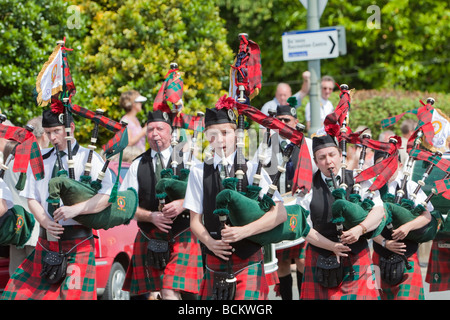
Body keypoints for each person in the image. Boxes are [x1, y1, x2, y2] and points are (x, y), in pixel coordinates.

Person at [1, 106, 113, 300]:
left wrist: (74, 210)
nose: (52, 138)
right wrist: (45, 222)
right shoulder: (40, 160)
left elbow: (107, 196)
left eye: (57, 132)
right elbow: (31, 197)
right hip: (46, 242)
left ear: (71, 128)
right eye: (48, 133)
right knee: (18, 295)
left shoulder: (89, 159)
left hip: (79, 242)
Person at [183, 104, 288, 300]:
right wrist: (210, 243)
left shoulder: (252, 168)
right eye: (213, 134)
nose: (220, 140)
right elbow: (195, 222)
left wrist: (244, 231)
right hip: (216, 258)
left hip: (249, 258)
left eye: (225, 132)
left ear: (237, 135)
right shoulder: (198, 172)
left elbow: (280, 213)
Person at [120, 110, 203, 300]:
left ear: (171, 132)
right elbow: (126, 205)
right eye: (150, 129)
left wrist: (184, 203)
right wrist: (150, 216)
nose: (154, 133)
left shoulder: (190, 161)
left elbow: (206, 195)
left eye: (160, 129)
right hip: (149, 236)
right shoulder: (137, 165)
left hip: (183, 235)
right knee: (151, 294)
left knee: (177, 292)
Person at [296, 134, 385, 300]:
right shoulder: (306, 188)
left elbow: (379, 211)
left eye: (332, 155)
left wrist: (360, 229)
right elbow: (303, 227)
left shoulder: (359, 180)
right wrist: (332, 246)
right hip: (320, 257)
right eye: (321, 158)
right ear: (315, 162)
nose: (328, 161)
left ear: (340, 155)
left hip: (357, 256)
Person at [260, 103, 309, 300]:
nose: (283, 123)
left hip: (300, 207)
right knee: (282, 262)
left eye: (287, 120)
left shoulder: (306, 143)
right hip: (278, 208)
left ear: (295, 122)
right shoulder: (266, 145)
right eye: (279, 120)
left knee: (302, 258)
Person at [371, 150, 433, 300]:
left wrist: (408, 226)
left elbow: (427, 216)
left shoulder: (411, 187)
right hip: (379, 255)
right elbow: (366, 224)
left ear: (399, 165)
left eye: (390, 165)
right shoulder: (370, 190)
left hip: (408, 257)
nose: (385, 170)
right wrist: (385, 243)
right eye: (381, 166)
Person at [5, 116, 50, 275]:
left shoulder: (11, 159)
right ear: (43, 135)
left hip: (15, 227)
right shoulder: (38, 161)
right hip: (35, 227)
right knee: (36, 280)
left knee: (16, 278)